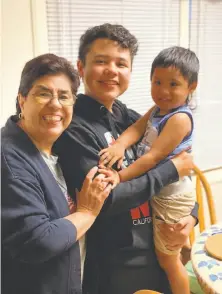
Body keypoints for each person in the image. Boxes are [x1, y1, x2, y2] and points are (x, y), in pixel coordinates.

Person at [55, 24, 198, 294]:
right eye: (101, 61)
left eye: (121, 63)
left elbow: (181, 165)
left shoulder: (131, 117)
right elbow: (105, 200)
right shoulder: (73, 127)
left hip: (156, 246)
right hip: (117, 265)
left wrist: (191, 216)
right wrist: (171, 170)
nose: (112, 70)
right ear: (80, 68)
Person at [1, 53, 112, 294]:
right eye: (43, 94)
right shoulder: (9, 159)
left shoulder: (57, 146)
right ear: (22, 100)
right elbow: (38, 240)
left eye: (64, 96)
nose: (55, 104)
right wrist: (87, 213)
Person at [99, 46, 199, 294]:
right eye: (157, 82)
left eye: (173, 84)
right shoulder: (157, 111)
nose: (163, 91)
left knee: (169, 260)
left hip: (172, 195)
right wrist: (120, 145)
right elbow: (135, 129)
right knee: (173, 251)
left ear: (191, 87)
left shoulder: (179, 119)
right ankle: (183, 251)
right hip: (162, 190)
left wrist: (120, 176)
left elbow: (154, 157)